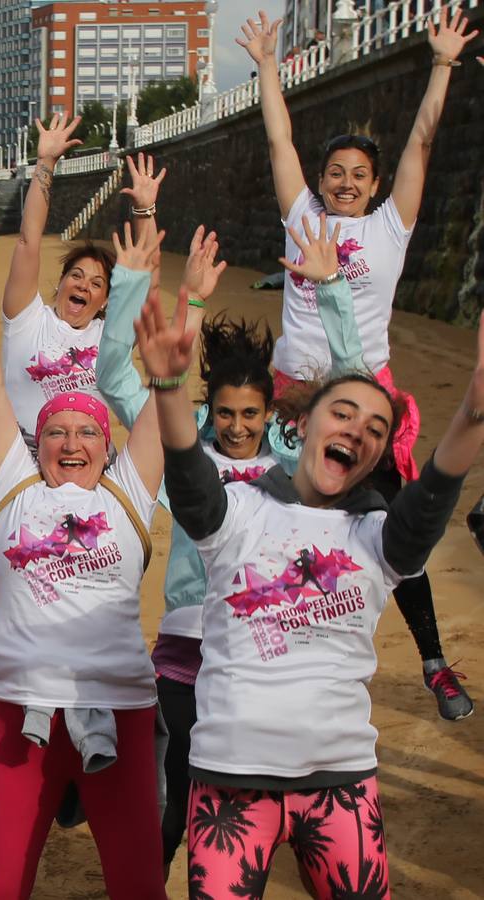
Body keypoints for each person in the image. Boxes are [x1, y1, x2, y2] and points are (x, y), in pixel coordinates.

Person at [134, 244, 484, 900]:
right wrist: (165, 388)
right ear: (301, 424)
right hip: (230, 786)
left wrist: (472, 412)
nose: (356, 428)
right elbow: (184, 471)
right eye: (342, 413)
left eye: (374, 427)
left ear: (376, 452)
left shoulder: (377, 536)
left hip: (341, 789)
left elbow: (436, 489)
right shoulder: (234, 508)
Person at [96, 216, 365, 871]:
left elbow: (360, 404)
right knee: (168, 811)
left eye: (250, 415)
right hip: (187, 656)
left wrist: (331, 292)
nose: (238, 427)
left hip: (270, 662)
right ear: (203, 414)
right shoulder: (184, 451)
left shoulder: (295, 464)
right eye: (223, 414)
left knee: (268, 820)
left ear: (271, 413)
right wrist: (131, 282)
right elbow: (114, 376)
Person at [240, 8, 478, 719]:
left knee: (391, 527)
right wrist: (264, 66)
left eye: (358, 175)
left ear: (374, 186)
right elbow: (277, 138)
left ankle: (433, 662)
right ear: (320, 179)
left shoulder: (387, 226)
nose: (346, 182)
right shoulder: (301, 217)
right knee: (277, 524)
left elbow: (420, 148)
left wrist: (439, 66)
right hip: (289, 400)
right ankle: (275, 654)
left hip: (364, 395)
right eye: (334, 173)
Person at [0, 209, 168, 899]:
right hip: (19, 708)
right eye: (56, 432)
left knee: (137, 882)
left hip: (120, 709)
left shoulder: (128, 496)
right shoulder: (15, 488)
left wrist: (162, 294)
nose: (71, 442)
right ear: (36, 444)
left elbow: (165, 405)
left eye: (87, 432)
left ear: (108, 448)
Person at [0, 122, 162, 443]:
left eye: (97, 283)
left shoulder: (110, 336)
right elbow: (27, 241)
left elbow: (149, 282)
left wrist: (144, 210)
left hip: (92, 461)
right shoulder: (26, 320)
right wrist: (45, 163)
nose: (84, 286)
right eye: (76, 276)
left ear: (105, 301)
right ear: (60, 283)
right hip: (28, 458)